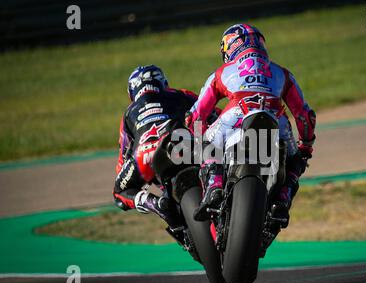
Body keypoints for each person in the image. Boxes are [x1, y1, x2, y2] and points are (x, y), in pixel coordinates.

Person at [186, 24, 317, 228]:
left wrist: (196, 137)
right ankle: (283, 197)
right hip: (277, 120)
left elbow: (196, 114)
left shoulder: (222, 72)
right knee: (297, 159)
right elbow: (304, 115)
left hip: (235, 116)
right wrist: (306, 145)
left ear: (229, 48)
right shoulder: (282, 73)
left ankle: (214, 185)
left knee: (206, 143)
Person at [113, 65, 198, 228]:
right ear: (163, 83)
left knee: (119, 193)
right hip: (180, 144)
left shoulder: (128, 113)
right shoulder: (180, 95)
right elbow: (211, 112)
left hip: (143, 157)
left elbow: (122, 159)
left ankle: (153, 202)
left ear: (132, 92)